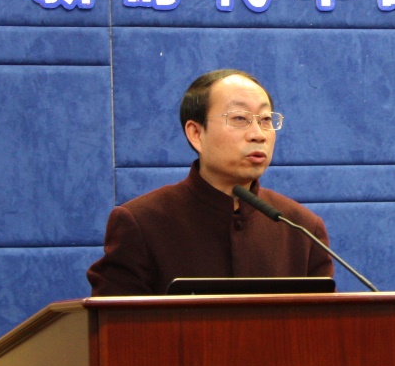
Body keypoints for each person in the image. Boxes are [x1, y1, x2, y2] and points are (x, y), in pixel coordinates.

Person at [87, 69, 334, 295]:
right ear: (196, 133)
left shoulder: (302, 228)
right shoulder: (141, 223)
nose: (258, 135)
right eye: (240, 118)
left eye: (266, 120)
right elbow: (113, 324)